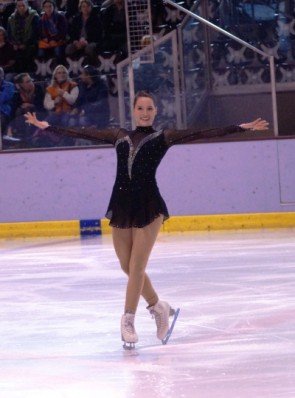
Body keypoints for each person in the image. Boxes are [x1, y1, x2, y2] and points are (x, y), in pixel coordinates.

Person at [24, 91, 269, 348]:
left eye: (149, 108)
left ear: (155, 111)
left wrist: (240, 127)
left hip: (149, 206)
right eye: (140, 108)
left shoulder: (163, 137)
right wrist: (48, 126)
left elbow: (200, 133)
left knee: (137, 266)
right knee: (127, 267)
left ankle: (128, 319)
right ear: (134, 110)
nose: (144, 112)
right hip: (121, 205)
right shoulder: (119, 136)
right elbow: (86, 133)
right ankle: (158, 307)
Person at [7, 0, 40, 72]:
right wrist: (14, 43)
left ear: (27, 6)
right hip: (16, 44)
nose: (21, 8)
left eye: (23, 6)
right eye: (19, 6)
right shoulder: (11, 18)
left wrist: (25, 44)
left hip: (30, 44)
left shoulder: (34, 16)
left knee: (28, 53)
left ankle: (30, 74)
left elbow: (36, 33)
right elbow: (9, 34)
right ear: (16, 7)